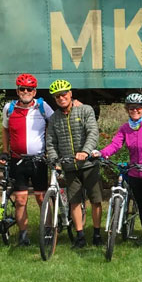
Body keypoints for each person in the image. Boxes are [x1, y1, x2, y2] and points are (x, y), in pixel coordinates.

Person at [92, 93, 142, 249]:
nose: (135, 111)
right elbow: (115, 145)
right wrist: (101, 153)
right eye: (131, 108)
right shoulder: (125, 128)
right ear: (127, 110)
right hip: (134, 172)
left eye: (138, 108)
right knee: (141, 205)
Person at [45, 79, 103, 248]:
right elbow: (51, 142)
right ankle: (80, 236)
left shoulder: (85, 110)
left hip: (89, 165)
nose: (61, 98)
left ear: (70, 94)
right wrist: (55, 161)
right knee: (75, 202)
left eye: (64, 94)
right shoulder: (54, 118)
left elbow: (93, 132)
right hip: (70, 166)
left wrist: (85, 152)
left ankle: (97, 234)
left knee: (96, 200)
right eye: (57, 96)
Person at [0, 73, 54, 246]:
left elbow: (56, 123)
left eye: (29, 89)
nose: (25, 91)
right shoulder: (9, 108)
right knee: (21, 199)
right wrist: (5, 151)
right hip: (18, 160)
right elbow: (5, 131)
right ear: (17, 91)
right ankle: (23, 234)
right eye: (22, 89)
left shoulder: (42, 106)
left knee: (41, 198)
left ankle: (48, 230)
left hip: (38, 160)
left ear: (34, 91)